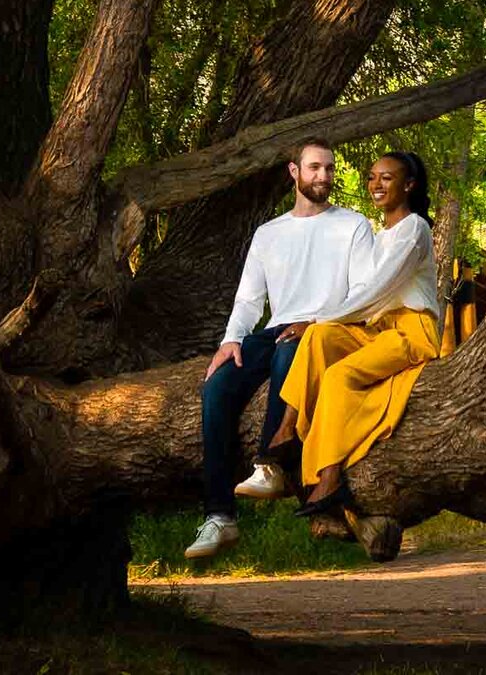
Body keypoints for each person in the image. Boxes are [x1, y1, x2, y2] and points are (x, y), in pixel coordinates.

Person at [185, 138, 373, 562]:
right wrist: (231, 339)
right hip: (276, 329)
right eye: (314, 168)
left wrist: (318, 322)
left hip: (326, 330)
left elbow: (364, 292)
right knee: (216, 385)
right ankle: (219, 516)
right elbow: (249, 298)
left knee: (292, 352)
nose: (323, 176)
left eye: (329, 168)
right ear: (294, 172)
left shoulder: (354, 225)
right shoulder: (268, 233)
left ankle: (270, 465)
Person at [272, 150, 442, 520]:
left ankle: (329, 477)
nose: (376, 185)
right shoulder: (381, 236)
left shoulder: (415, 229)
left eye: (387, 177)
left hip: (412, 332)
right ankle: (285, 433)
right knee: (319, 339)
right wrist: (319, 323)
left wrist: (316, 318)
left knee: (339, 375)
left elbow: (377, 289)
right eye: (371, 177)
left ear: (409, 185)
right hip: (377, 329)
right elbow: (358, 293)